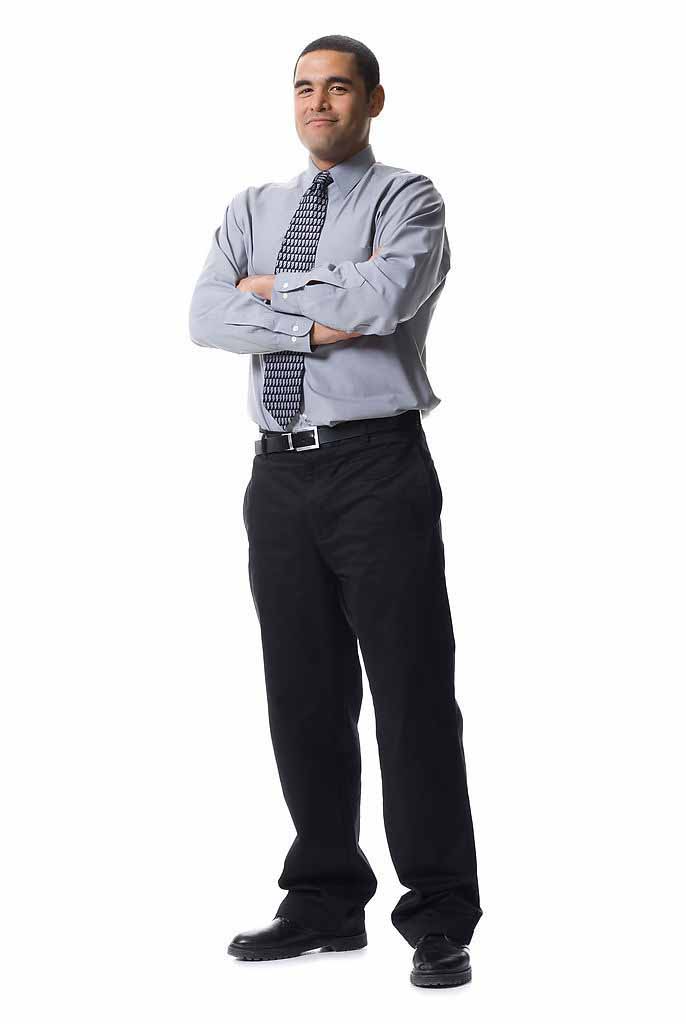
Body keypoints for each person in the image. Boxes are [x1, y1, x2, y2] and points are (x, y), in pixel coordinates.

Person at [188, 33, 482, 989]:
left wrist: (267, 293)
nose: (318, 102)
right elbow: (205, 315)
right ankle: (323, 899)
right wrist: (314, 314)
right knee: (304, 696)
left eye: (339, 87)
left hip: (376, 467)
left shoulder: (407, 199)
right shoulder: (250, 207)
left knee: (410, 693)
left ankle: (439, 914)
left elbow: (384, 300)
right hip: (278, 476)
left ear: (373, 100)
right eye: (305, 87)